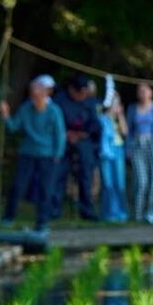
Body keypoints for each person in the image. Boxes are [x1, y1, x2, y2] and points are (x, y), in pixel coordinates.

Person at [0, 75, 65, 232]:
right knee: (18, 186)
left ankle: (42, 222)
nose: (34, 98)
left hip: (47, 156)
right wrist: (6, 115)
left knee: (46, 189)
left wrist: (58, 154)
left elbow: (60, 134)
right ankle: (8, 217)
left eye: (37, 94)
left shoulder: (54, 111)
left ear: (44, 94)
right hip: (27, 153)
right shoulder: (26, 108)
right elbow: (14, 127)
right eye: (32, 94)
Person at [52, 74, 102, 221]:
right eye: (80, 93)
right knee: (58, 175)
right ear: (72, 90)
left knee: (86, 176)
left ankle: (86, 210)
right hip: (63, 141)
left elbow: (95, 124)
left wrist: (82, 134)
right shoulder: (59, 100)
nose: (82, 96)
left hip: (84, 141)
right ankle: (55, 209)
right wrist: (66, 134)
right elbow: (54, 121)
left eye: (85, 93)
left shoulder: (89, 102)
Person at [125, 82, 153, 224]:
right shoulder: (132, 108)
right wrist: (128, 150)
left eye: (145, 90)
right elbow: (128, 131)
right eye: (140, 91)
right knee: (141, 181)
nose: (143, 93)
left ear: (151, 92)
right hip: (137, 146)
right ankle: (138, 213)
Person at [98, 94, 128, 222]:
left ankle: (121, 211)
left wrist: (120, 115)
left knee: (119, 182)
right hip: (106, 152)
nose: (116, 105)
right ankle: (109, 212)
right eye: (114, 103)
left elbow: (125, 132)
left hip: (118, 150)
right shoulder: (102, 118)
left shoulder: (118, 118)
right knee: (108, 182)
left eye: (117, 103)